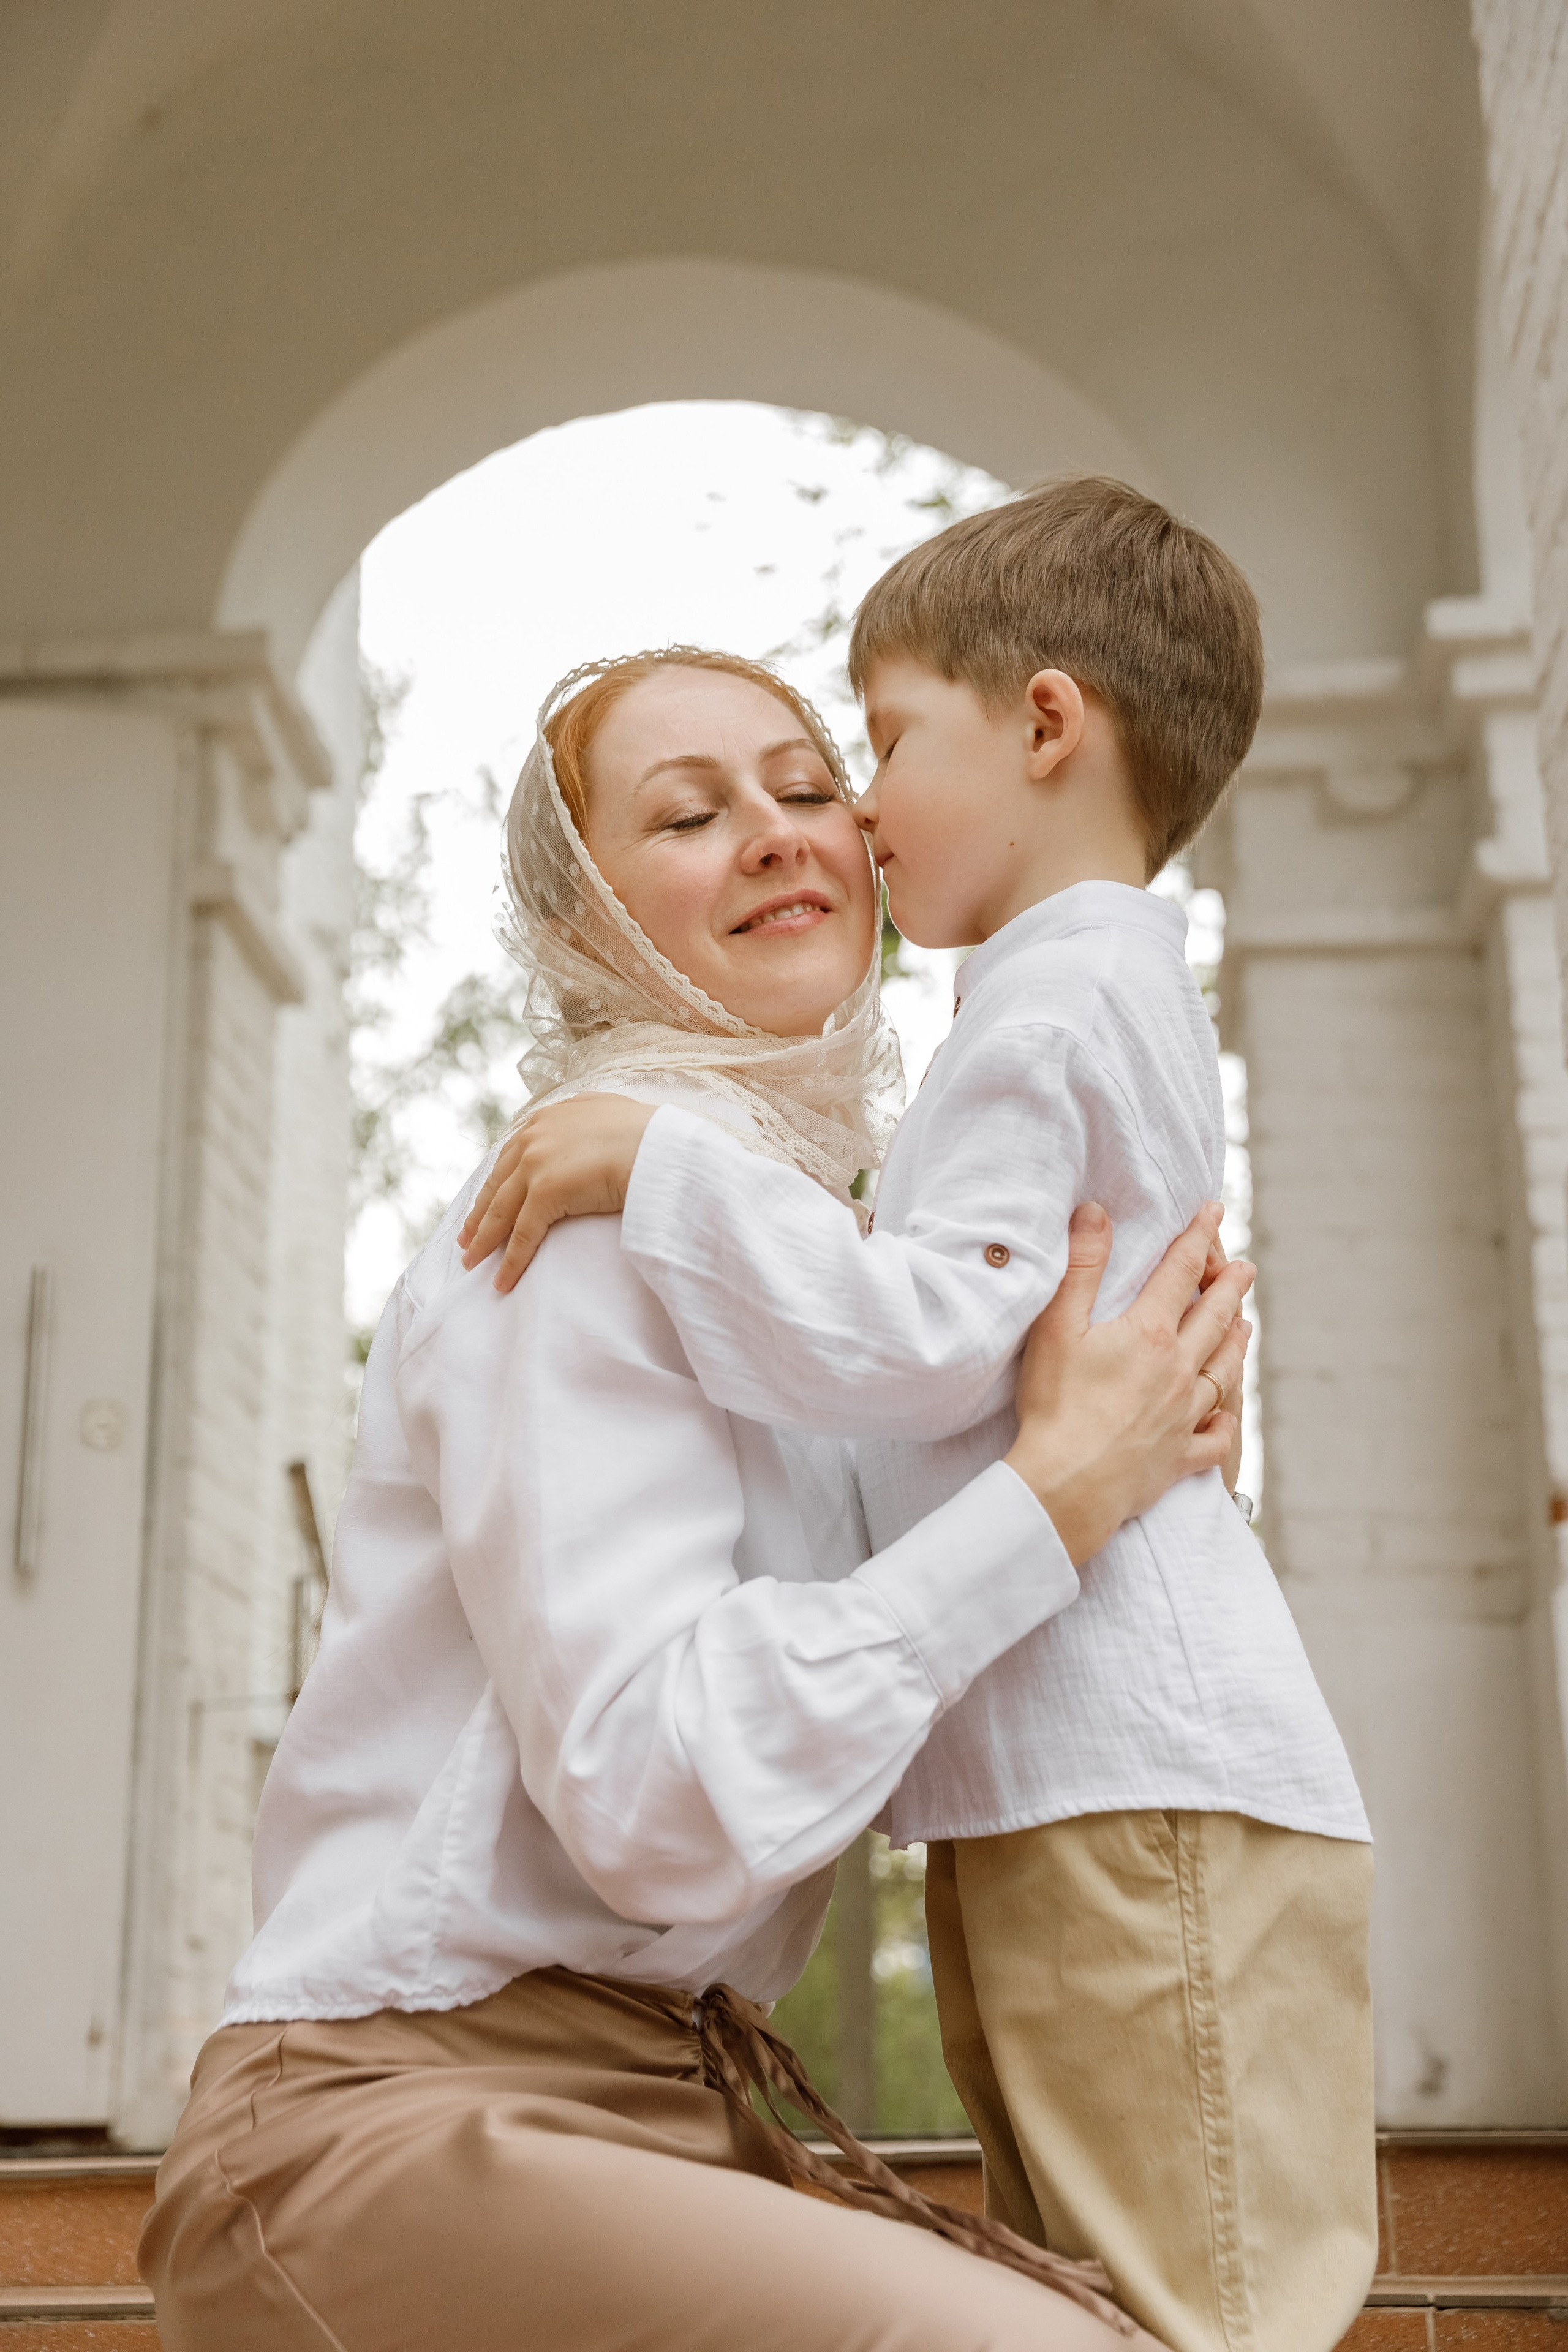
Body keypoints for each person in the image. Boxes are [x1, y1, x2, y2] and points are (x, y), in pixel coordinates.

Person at [139, 646, 1253, 2352]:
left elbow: (955, 1638)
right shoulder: (578, 1221)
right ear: (583, 924)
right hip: (388, 2121)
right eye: (687, 811)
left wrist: (1142, 1438)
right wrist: (1050, 1501)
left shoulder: (820, 1273)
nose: (774, 833)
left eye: (812, 789)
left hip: (673, 2096)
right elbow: (654, 1799)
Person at [459, 484, 1377, 2352]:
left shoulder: (1037, 1011)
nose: (856, 815)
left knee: (1196, 2305)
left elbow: (938, 1341)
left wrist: (674, 1176)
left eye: (871, 750)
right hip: (1071, 1776)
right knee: (1109, 2294)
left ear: (1046, 726)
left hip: (1138, 1784)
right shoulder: (1087, 992)